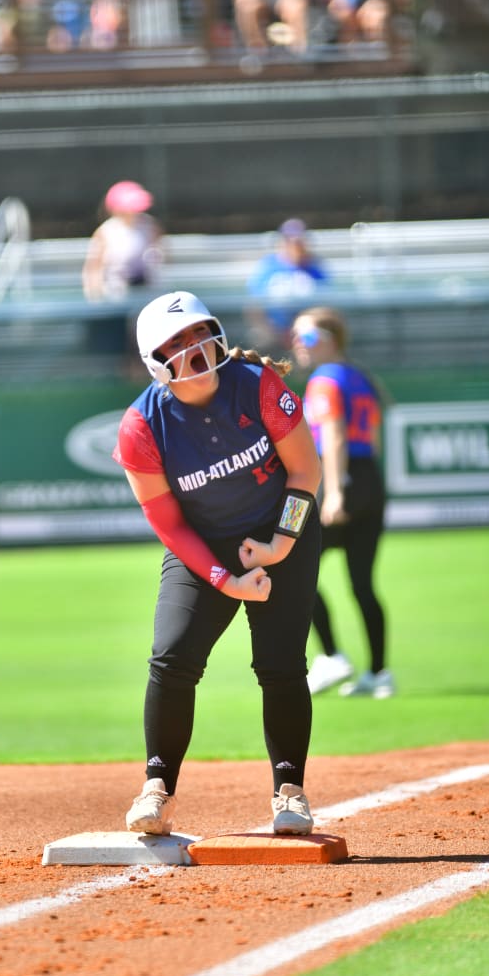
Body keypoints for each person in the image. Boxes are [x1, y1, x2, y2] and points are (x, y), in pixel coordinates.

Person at [113, 291, 322, 837]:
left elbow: (305, 471)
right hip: (201, 546)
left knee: (280, 664)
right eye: (177, 342)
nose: (195, 347)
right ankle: (156, 788)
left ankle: (290, 792)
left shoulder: (257, 386)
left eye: (200, 331)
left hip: (280, 534)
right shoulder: (142, 425)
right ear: (154, 359)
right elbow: (170, 523)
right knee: (172, 656)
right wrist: (222, 579)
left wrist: (279, 544)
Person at [291, 306, 394, 698]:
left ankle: (333, 657)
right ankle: (379, 674)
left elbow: (332, 437)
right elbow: (375, 438)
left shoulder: (324, 381)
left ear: (331, 340)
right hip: (369, 478)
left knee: (292, 566)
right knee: (363, 584)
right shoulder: (358, 375)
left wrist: (334, 492)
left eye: (309, 337)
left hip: (339, 480)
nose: (299, 344)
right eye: (296, 337)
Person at [245, 218, 329, 355]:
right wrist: (273, 332)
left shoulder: (315, 267)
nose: (295, 245)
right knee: (258, 341)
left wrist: (302, 328)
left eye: (299, 240)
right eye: (290, 240)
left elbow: (325, 305)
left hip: (306, 330)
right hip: (272, 332)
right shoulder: (267, 267)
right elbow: (254, 306)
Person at [82, 181, 163, 303]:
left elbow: (159, 252)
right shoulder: (106, 231)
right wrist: (95, 294)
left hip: (146, 290)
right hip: (115, 292)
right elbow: (93, 267)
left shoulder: (149, 225)